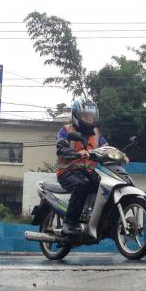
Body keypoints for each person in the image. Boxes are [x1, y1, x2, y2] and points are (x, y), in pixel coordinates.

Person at [55, 98, 108, 238]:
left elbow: (106, 148)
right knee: (81, 185)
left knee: (105, 188)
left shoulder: (97, 133)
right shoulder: (66, 130)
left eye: (91, 116)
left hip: (88, 172)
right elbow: (61, 149)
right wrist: (76, 153)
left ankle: (97, 221)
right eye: (85, 116)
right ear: (76, 115)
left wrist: (119, 155)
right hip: (67, 172)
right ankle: (69, 223)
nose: (89, 119)